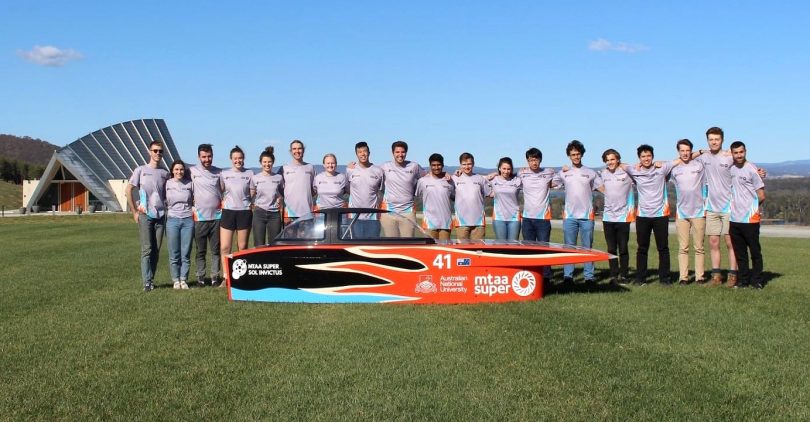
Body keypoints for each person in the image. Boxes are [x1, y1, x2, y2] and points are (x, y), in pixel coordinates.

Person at [696, 127, 767, 287]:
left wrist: (759, 171)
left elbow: (746, 165)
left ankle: (734, 276)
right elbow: (684, 158)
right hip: (712, 208)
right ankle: (716, 276)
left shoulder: (730, 157)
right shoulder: (704, 156)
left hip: (730, 208)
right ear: (707, 141)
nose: (714, 142)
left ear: (722, 140)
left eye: (717, 139)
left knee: (732, 244)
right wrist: (701, 151)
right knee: (713, 242)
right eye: (711, 139)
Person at [624, 144, 674, 286]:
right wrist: (635, 165)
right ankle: (640, 279)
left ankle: (665, 279)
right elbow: (620, 164)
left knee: (663, 248)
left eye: (649, 156)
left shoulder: (662, 168)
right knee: (642, 248)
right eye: (643, 156)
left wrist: (662, 161)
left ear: (653, 156)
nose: (646, 159)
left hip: (661, 215)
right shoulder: (634, 170)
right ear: (639, 158)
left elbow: (680, 159)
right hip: (643, 216)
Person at [556, 140, 603, 286]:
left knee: (587, 247)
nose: (576, 157)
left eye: (578, 154)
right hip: (569, 216)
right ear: (569, 156)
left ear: (582, 154)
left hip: (586, 217)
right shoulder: (564, 173)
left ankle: (589, 277)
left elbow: (604, 188)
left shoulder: (590, 173)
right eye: (573, 154)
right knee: (569, 247)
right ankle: (568, 276)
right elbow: (549, 183)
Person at [127, 140, 169, 292]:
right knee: (147, 249)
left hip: (160, 215)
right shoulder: (140, 170)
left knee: (156, 249)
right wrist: (134, 212)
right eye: (155, 150)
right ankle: (147, 281)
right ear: (149, 151)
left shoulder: (165, 173)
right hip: (145, 215)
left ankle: (151, 279)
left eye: (160, 151)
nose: (158, 153)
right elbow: (128, 190)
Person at [728, 141, 766, 289]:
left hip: (750, 220)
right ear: (732, 154)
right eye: (735, 153)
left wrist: (751, 210)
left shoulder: (752, 169)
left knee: (755, 252)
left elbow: (761, 195)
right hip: (734, 219)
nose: (739, 155)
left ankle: (757, 280)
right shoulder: (730, 169)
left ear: (745, 152)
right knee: (740, 253)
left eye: (741, 152)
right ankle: (744, 280)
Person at [670, 139, 706, 284]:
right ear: (678, 152)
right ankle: (683, 277)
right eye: (682, 150)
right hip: (682, 213)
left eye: (687, 150)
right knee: (683, 247)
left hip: (698, 212)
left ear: (691, 151)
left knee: (699, 247)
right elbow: (660, 168)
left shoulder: (699, 166)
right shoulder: (674, 169)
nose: (685, 153)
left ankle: (700, 277)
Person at [517, 147, 556, 279]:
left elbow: (561, 178)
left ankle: (546, 277)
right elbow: (508, 179)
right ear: (527, 161)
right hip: (527, 218)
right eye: (531, 160)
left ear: (540, 160)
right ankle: (530, 275)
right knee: (528, 249)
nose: (534, 162)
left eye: (536, 159)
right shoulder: (522, 173)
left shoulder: (549, 172)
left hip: (543, 219)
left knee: (544, 249)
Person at [598, 149, 634, 285]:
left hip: (623, 217)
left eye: (612, 159)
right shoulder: (603, 173)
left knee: (623, 248)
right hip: (608, 217)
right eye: (607, 160)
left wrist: (624, 165)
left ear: (618, 159)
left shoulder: (627, 172)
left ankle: (624, 275)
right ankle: (614, 275)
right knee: (611, 249)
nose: (610, 162)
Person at [219, 146, 253, 287]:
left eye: (240, 158)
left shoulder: (250, 174)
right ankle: (226, 277)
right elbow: (220, 190)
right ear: (231, 159)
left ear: (243, 159)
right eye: (235, 158)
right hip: (228, 212)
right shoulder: (224, 174)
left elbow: (252, 193)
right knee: (225, 247)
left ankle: (242, 276)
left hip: (244, 212)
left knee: (242, 246)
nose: (238, 161)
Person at [189, 143, 222, 287]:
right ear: (198, 157)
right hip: (200, 218)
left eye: (209, 156)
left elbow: (224, 189)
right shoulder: (191, 171)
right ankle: (201, 278)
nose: (207, 159)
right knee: (200, 251)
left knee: (215, 250)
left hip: (216, 217)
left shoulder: (219, 172)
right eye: (204, 157)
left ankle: (215, 277)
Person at [379, 140, 423, 237]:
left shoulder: (414, 166)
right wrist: (354, 167)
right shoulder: (385, 166)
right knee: (392, 245)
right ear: (393, 153)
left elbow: (429, 176)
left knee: (408, 244)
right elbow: (370, 172)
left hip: (408, 212)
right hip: (388, 212)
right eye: (397, 152)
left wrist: (445, 174)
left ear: (406, 153)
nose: (400, 154)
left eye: (403, 152)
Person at [165, 159, 194, 290]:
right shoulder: (167, 183)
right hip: (172, 220)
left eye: (181, 169)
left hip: (188, 220)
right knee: (174, 252)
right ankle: (175, 280)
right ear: (172, 171)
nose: (179, 171)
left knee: (186, 252)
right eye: (176, 169)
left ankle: (184, 279)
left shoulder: (190, 184)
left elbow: (195, 199)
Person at [346, 141, 384, 238]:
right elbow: (347, 189)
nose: (363, 154)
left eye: (365, 151)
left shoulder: (378, 171)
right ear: (356, 154)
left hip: (373, 218)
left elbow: (381, 191)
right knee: (356, 248)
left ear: (369, 153)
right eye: (360, 152)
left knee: (372, 249)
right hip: (355, 218)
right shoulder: (350, 170)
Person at [452, 152, 491, 239]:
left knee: (478, 250)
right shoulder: (454, 178)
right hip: (461, 222)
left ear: (473, 164)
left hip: (478, 222)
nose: (467, 167)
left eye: (469, 164)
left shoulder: (480, 178)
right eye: (464, 164)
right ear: (460, 165)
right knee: (462, 250)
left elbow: (489, 193)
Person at [416, 153, 455, 240]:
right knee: (430, 250)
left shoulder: (450, 181)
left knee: (444, 250)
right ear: (430, 166)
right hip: (429, 223)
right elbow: (418, 196)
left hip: (446, 223)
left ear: (443, 165)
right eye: (433, 165)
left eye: (438, 165)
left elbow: (453, 197)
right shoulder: (422, 181)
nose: (436, 167)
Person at [251, 147, 284, 247]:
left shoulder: (279, 178)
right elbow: (251, 194)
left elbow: (281, 193)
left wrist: (280, 199)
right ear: (260, 162)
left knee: (274, 245)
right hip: (259, 213)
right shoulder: (255, 178)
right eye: (264, 162)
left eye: (269, 162)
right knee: (259, 244)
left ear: (273, 162)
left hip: (274, 215)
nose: (267, 164)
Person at [280, 140, 315, 224]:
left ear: (303, 150)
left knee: (306, 237)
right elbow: (278, 188)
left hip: (307, 212)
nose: (297, 151)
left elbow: (314, 189)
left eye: (299, 148)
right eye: (294, 149)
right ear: (290, 151)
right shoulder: (284, 168)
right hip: (289, 213)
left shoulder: (310, 167)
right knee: (289, 237)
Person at [490, 157, 522, 240]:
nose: (506, 171)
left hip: (514, 218)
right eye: (504, 168)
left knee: (513, 246)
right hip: (498, 217)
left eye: (509, 169)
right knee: (501, 245)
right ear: (499, 168)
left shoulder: (517, 180)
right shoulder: (493, 180)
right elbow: (478, 180)